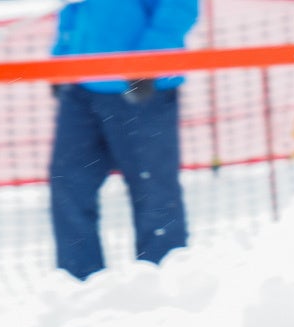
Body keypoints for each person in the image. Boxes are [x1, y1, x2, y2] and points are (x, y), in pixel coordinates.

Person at [46, 0, 199, 280]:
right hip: (81, 87)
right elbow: (72, 7)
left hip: (144, 91)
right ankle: (80, 283)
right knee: (68, 184)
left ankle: (164, 280)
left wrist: (148, 60)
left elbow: (179, 7)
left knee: (153, 190)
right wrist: (61, 58)